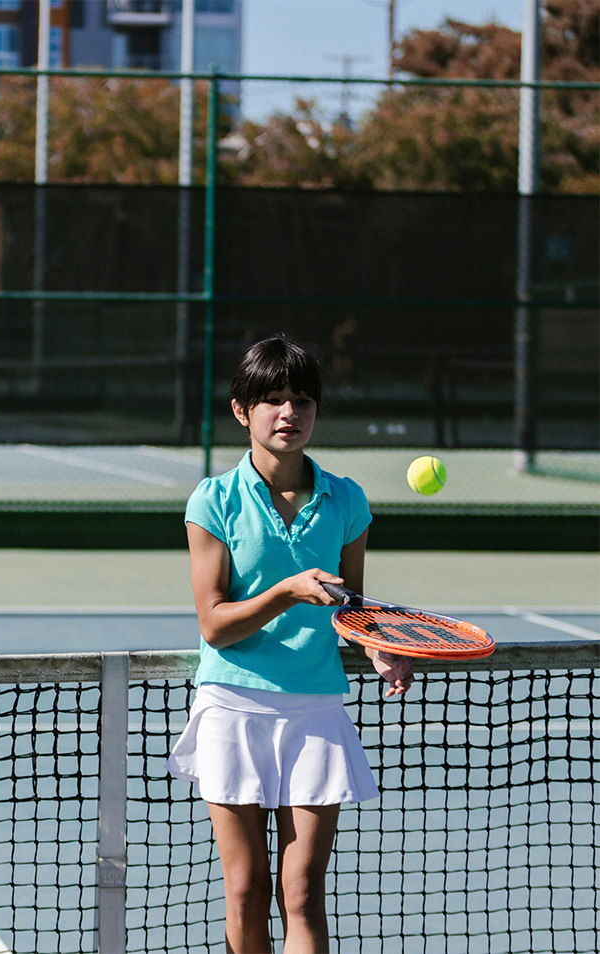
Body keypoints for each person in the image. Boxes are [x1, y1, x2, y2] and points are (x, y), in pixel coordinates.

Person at [166, 336, 413, 954]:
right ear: (241, 410)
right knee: (246, 888)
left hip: (317, 709)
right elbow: (214, 624)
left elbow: (353, 608)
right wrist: (287, 592)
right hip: (233, 704)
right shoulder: (214, 500)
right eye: (272, 399)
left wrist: (378, 647)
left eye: (301, 400)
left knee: (302, 892)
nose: (288, 413)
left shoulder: (348, 499)